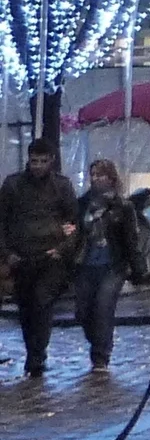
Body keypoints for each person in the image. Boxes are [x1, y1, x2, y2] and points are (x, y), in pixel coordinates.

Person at [1, 138, 80, 376]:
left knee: (42, 303)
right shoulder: (13, 185)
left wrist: (63, 249)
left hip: (50, 256)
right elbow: (1, 221)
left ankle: (37, 356)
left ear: (51, 161)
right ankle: (33, 351)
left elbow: (74, 222)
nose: (37, 166)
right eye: (34, 161)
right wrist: (7, 253)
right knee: (26, 308)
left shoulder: (62, 187)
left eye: (42, 161)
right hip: (21, 256)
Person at [71, 160, 145, 370]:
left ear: (111, 178)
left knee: (103, 306)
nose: (95, 179)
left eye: (100, 175)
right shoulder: (83, 204)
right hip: (86, 263)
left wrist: (137, 267)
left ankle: (101, 355)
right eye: (93, 174)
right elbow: (76, 233)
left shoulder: (123, 206)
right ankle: (98, 341)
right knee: (84, 311)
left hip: (112, 264)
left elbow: (130, 239)